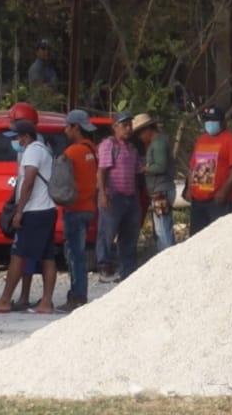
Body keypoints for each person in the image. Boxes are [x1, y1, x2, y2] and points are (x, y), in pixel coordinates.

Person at [0, 119, 58, 314]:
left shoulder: (32, 151)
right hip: (48, 209)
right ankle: (46, 302)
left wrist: (19, 211)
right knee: (48, 256)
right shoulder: (45, 149)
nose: (14, 142)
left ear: (25, 137)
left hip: (34, 210)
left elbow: (29, 181)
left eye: (16, 137)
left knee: (18, 254)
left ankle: (5, 300)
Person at [57, 109, 98, 313]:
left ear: (76, 128)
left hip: (74, 209)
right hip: (89, 208)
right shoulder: (92, 150)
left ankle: (77, 296)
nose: (65, 130)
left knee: (74, 255)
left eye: (68, 126)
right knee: (80, 253)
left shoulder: (71, 153)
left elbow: (59, 183)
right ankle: (80, 294)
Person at [96, 111, 142, 282]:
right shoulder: (109, 145)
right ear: (114, 127)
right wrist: (102, 194)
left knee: (129, 235)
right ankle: (105, 268)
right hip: (113, 196)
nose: (128, 129)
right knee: (107, 233)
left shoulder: (132, 148)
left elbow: (138, 171)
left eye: (130, 125)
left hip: (130, 197)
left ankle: (127, 271)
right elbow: (101, 171)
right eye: (124, 125)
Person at [186, 106, 232, 236]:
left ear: (223, 122)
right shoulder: (202, 139)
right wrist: (190, 188)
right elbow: (193, 166)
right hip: (198, 200)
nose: (210, 123)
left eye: (213, 120)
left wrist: (224, 190)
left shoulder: (231, 139)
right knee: (197, 238)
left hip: (219, 200)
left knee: (219, 237)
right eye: (207, 120)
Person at [131, 113, 176, 252]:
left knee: (162, 228)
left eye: (140, 133)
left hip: (160, 190)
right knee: (162, 226)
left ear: (147, 129)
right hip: (160, 189)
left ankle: (167, 256)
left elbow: (160, 166)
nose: (140, 137)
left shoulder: (158, 143)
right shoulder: (159, 141)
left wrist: (144, 168)